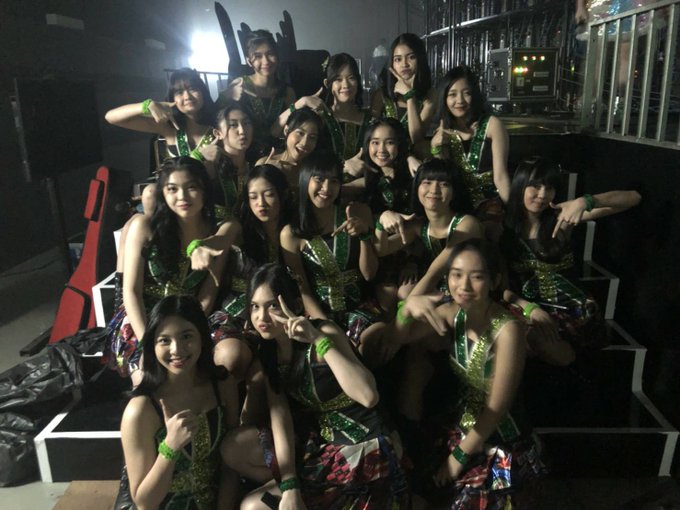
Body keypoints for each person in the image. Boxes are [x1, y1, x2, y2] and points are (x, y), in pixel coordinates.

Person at [220, 264, 410, 509]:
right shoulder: (269, 353)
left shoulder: (323, 332)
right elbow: (281, 419)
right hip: (323, 445)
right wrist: (290, 486)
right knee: (253, 503)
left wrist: (317, 339)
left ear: (296, 305)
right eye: (255, 307)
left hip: (366, 448)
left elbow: (368, 396)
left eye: (273, 306)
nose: (262, 317)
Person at [395, 239, 544, 508]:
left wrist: (458, 458)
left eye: (476, 277)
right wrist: (405, 310)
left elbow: (497, 407)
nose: (463, 286)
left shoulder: (508, 330)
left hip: (501, 438)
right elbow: (399, 338)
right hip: (460, 425)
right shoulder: (452, 313)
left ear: (494, 281)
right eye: (456, 275)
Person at [502, 156, 641, 365]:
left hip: (573, 311)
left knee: (538, 342)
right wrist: (530, 308)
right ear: (520, 185)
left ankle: (577, 366)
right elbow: (500, 286)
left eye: (549, 188)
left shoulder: (561, 218)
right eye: (535, 186)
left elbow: (633, 198)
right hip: (529, 308)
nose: (542, 194)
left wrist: (585, 201)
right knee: (514, 334)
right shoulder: (503, 228)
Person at [105, 157, 229, 386]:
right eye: (172, 189)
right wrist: (149, 344)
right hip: (143, 318)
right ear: (163, 192)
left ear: (204, 190)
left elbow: (208, 294)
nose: (182, 197)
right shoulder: (145, 227)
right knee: (151, 378)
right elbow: (131, 292)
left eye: (191, 187)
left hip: (191, 318)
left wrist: (187, 333)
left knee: (219, 364)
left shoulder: (215, 233)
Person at [120, 294, 240, 509]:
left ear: (202, 337)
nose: (177, 349)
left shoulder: (223, 384)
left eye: (186, 336)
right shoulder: (141, 410)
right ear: (152, 345)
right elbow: (144, 502)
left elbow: (230, 465)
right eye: (164, 340)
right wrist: (170, 447)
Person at [280, 153, 381, 347]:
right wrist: (326, 325)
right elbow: (303, 289)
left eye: (334, 181)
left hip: (360, 308)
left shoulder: (357, 212)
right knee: (333, 348)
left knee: (371, 342)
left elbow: (369, 274)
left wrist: (364, 236)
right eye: (319, 179)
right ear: (305, 180)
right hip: (319, 312)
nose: (326, 188)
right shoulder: (290, 233)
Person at [210, 164, 292, 380]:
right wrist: (199, 247)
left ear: (283, 194)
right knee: (232, 357)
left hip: (275, 318)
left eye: (269, 194)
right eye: (253, 197)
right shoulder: (239, 229)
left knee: (265, 375)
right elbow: (221, 237)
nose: (261, 203)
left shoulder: (294, 231)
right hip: (233, 316)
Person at [430, 66, 510, 221]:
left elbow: (501, 177)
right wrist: (435, 148)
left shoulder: (492, 125)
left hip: (491, 206)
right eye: (452, 94)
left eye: (467, 93)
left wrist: (514, 215)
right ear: (444, 99)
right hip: (457, 207)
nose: (460, 101)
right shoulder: (442, 132)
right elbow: (444, 179)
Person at [217, 30, 296, 156]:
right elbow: (217, 118)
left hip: (279, 155)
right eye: (258, 56)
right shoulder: (239, 84)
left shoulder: (287, 91)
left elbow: (295, 126)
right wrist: (226, 95)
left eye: (270, 54)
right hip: (244, 156)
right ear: (249, 61)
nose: (266, 61)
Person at [370, 33, 436, 151]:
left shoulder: (430, 94)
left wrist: (409, 96)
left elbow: (417, 139)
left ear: (420, 59)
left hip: (415, 158)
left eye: (411, 57)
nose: (404, 64)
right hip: (384, 157)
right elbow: (372, 138)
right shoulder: (381, 95)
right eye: (398, 59)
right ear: (392, 63)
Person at [318, 53, 374, 179]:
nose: (346, 85)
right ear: (327, 83)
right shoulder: (319, 119)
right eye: (338, 79)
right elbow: (311, 162)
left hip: (364, 187)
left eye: (351, 78)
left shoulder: (370, 120)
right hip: (326, 188)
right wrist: (343, 166)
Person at [256, 106, 324, 194]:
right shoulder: (263, 163)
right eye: (300, 133)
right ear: (286, 130)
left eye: (312, 137)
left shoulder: (315, 172)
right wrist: (265, 174)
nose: (304, 143)